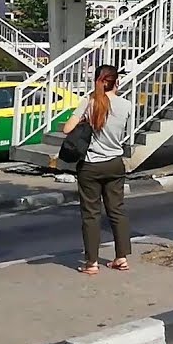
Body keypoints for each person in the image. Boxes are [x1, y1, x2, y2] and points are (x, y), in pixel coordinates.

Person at [63, 64, 133, 275]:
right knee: (117, 211)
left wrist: (84, 121)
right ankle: (121, 258)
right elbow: (126, 134)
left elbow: (67, 129)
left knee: (91, 214)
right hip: (114, 163)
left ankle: (91, 263)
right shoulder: (126, 105)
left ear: (97, 81)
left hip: (90, 166)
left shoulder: (89, 102)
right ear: (116, 82)